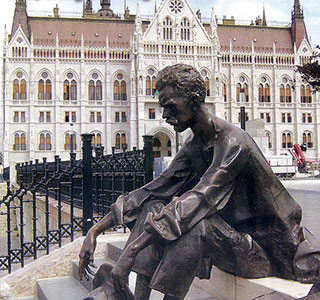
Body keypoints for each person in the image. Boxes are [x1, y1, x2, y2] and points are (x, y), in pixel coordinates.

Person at [79, 64, 320, 300]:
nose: (164, 115)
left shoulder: (234, 142)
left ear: (194, 99)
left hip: (266, 251)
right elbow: (154, 188)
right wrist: (96, 229)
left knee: (197, 226)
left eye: (170, 105)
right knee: (153, 207)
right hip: (234, 241)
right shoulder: (194, 145)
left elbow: (201, 198)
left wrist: (131, 251)